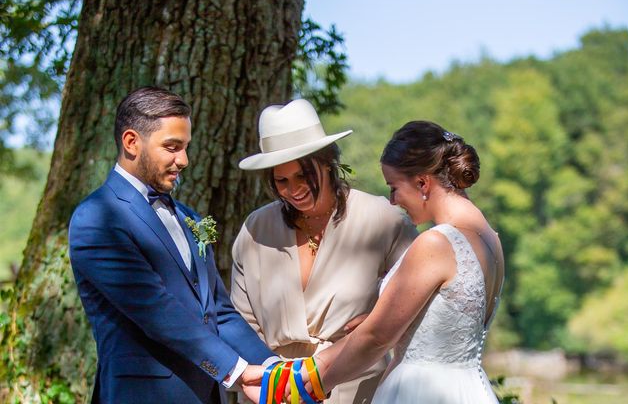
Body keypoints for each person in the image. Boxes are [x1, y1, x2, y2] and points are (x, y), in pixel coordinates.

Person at [68, 87, 276, 404]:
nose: (184, 160)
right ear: (131, 142)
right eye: (172, 147)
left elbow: (219, 312)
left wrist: (274, 369)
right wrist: (237, 370)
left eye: (186, 147)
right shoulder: (97, 218)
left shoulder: (188, 218)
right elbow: (156, 310)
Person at [230, 99, 418, 404]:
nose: (294, 189)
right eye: (282, 180)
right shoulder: (256, 228)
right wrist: (271, 383)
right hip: (270, 390)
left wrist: (381, 321)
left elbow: (419, 304)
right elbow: (240, 321)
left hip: (353, 387)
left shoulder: (385, 221)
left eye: (304, 175)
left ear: (328, 162)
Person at [304, 120, 505, 403]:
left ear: (423, 182)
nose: (392, 201)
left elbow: (377, 338)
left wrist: (316, 384)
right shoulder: (489, 239)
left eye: (394, 187)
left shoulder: (437, 243)